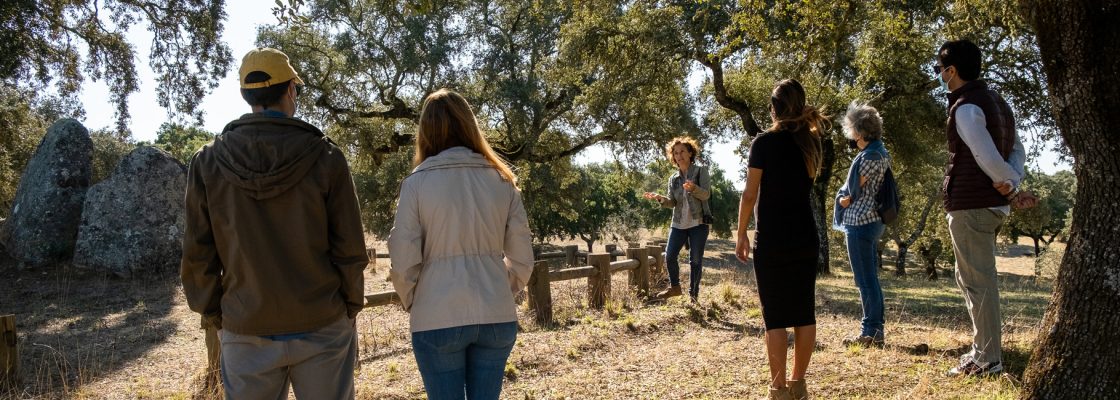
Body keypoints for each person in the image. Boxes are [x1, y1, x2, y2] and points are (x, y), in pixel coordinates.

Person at [181, 47, 369, 399]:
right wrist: (349, 308)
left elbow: (197, 256)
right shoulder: (326, 156)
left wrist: (216, 315)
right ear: (290, 91)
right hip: (322, 323)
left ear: (246, 95)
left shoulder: (207, 162)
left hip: (246, 327)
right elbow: (350, 249)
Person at [388, 89, 534, 400]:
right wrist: (496, 285)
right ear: (470, 125)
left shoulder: (415, 184)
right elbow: (522, 259)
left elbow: (402, 260)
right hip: (496, 313)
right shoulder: (503, 180)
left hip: (435, 315)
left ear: (425, 131)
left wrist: (415, 299)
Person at [934, 39, 1038, 377]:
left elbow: (984, 154)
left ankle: (987, 359)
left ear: (952, 70)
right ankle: (984, 350)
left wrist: (1008, 181)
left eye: (940, 70)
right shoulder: (998, 103)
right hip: (991, 204)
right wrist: (1012, 183)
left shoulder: (965, 106)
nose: (940, 76)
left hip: (972, 204)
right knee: (973, 278)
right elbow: (1016, 149)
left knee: (977, 282)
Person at [734, 79, 827, 400]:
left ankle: (778, 390)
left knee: (774, 318)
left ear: (773, 109)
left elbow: (749, 194)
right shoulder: (812, 143)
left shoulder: (763, 143)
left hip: (771, 238)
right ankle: (798, 385)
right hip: (805, 237)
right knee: (804, 313)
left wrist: (741, 233)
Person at [833, 102, 891, 348]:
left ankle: (871, 331)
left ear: (859, 130)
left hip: (860, 220)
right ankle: (874, 329)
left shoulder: (868, 156)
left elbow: (852, 193)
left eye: (852, 129)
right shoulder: (881, 152)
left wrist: (843, 200)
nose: (850, 134)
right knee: (869, 278)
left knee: (864, 279)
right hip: (872, 220)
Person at [642, 136, 712, 302]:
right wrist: (660, 198)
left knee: (695, 260)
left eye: (682, 151)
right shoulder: (672, 179)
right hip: (679, 223)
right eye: (675, 152)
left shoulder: (701, 171)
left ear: (690, 153)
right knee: (670, 256)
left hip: (699, 223)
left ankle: (693, 295)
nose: (679, 155)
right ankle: (675, 287)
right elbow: (672, 202)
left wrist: (694, 188)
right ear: (672, 156)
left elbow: (706, 195)